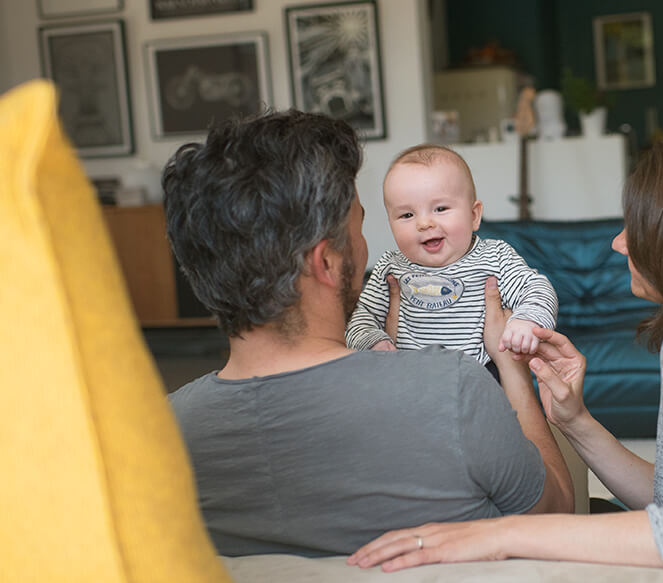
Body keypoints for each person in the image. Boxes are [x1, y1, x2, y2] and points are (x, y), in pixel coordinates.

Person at [161, 110, 573, 557]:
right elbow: (555, 514)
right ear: (326, 263)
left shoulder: (161, 433)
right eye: (360, 225)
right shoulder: (452, 391)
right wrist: (511, 371)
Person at [348, 136, 663, 574]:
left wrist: (504, 535)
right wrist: (575, 421)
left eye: (636, 227)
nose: (617, 243)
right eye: (405, 214)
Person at [346, 144, 558, 364]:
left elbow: (537, 289)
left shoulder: (495, 257)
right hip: (410, 377)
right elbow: (361, 317)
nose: (424, 223)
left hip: (481, 371)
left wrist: (525, 322)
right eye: (407, 214)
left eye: (440, 209)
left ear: (474, 215)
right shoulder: (390, 267)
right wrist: (373, 341)